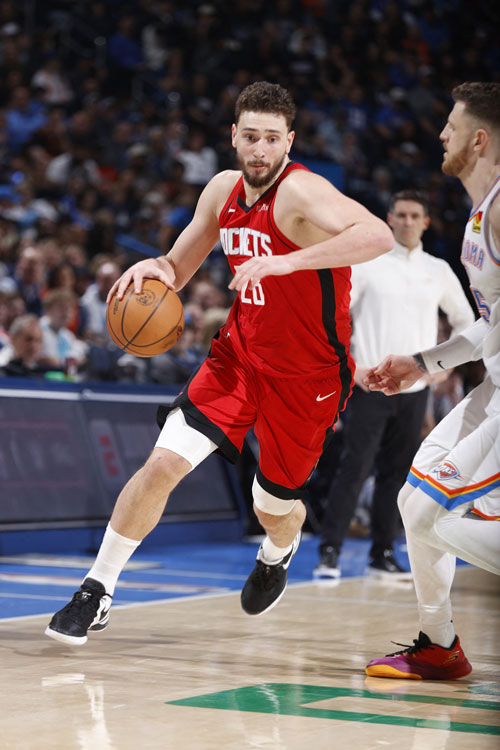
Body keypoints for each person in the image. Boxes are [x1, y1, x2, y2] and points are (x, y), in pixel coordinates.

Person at [45, 81, 393, 646]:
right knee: (162, 464)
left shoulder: (302, 192)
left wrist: (287, 264)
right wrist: (155, 269)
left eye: (272, 139)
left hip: (307, 376)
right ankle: (97, 589)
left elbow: (377, 235)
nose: (260, 149)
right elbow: (177, 266)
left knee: (273, 504)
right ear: (233, 136)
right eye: (250, 136)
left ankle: (278, 550)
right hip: (238, 357)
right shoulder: (222, 191)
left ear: (289, 142)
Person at [365, 82, 500, 680]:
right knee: (411, 503)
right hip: (491, 389)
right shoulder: (481, 213)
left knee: (426, 514)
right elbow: (490, 324)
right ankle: (439, 645)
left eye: (453, 125)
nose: (442, 134)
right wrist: (424, 362)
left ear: (480, 139)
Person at [314, 190, 474, 580]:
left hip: (415, 390)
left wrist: (439, 371)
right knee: (354, 468)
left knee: (397, 474)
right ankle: (329, 551)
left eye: (414, 215)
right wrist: (351, 367)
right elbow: (333, 316)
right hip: (369, 385)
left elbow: (467, 322)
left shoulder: (438, 269)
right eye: (400, 215)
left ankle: (381, 553)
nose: (407, 221)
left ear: (425, 222)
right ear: (389, 219)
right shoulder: (368, 263)